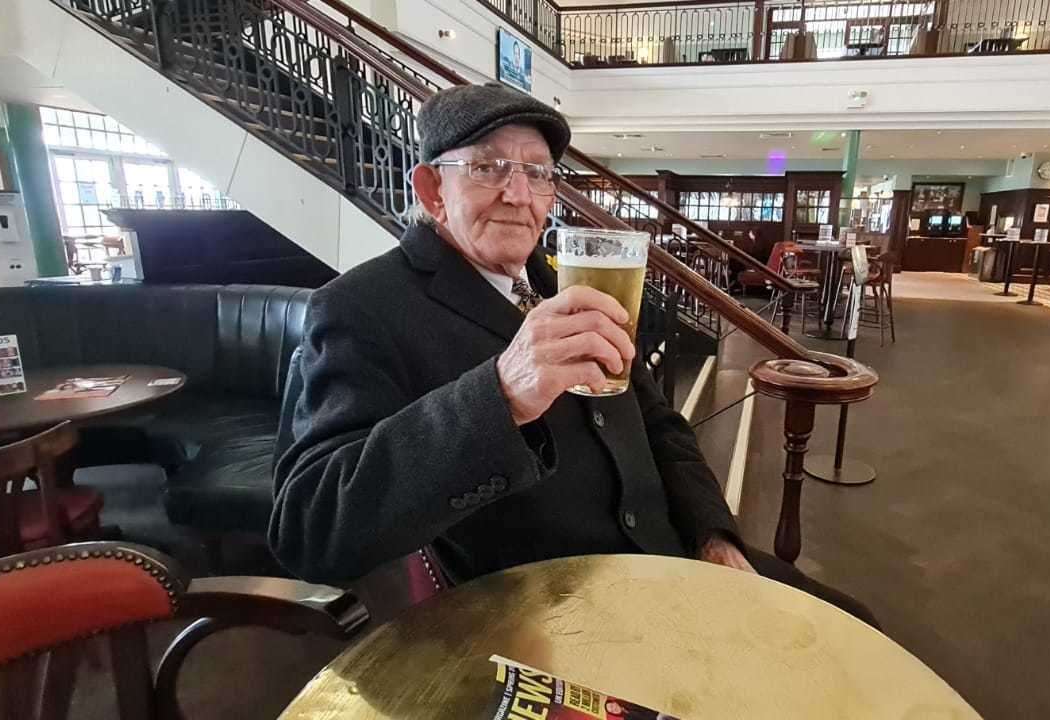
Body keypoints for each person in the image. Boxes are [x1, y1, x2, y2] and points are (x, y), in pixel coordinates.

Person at [269, 83, 876, 627]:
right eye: (487, 167)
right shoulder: (359, 307)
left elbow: (659, 424)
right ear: (432, 189)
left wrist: (714, 537)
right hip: (553, 618)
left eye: (537, 173)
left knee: (855, 629)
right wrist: (500, 394)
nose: (517, 193)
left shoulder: (561, 280)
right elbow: (309, 525)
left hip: (673, 561)